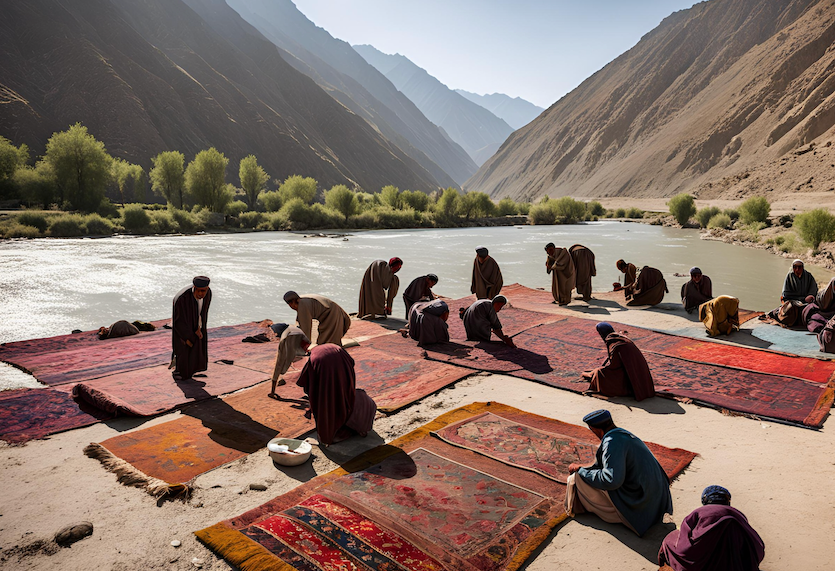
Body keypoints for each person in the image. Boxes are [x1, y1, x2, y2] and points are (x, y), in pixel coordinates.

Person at [566, 410, 673, 536]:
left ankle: (615, 514)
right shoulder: (622, 434)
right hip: (657, 499)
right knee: (587, 473)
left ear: (597, 430)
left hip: (643, 503)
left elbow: (612, 481)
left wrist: (581, 470)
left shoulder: (611, 442)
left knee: (576, 479)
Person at [659, 485, 765, 571]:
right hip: (738, 566)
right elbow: (757, 546)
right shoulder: (737, 515)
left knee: (670, 539)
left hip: (698, 565)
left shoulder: (699, 512)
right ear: (727, 501)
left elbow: (683, 545)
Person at [296, 344, 377, 446]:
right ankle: (349, 427)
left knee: (326, 404)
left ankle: (333, 433)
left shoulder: (324, 406)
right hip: (358, 419)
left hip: (331, 429)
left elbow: (305, 383)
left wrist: (317, 392)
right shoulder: (364, 402)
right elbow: (351, 362)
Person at [582, 323, 655, 401]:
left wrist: (602, 370)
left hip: (627, 377)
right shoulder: (620, 338)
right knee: (597, 372)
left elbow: (614, 366)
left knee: (598, 372)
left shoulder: (615, 344)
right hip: (638, 371)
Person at [170, 276, 212, 381]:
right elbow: (179, 321)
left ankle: (193, 371)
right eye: (199, 291)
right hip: (183, 328)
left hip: (197, 324)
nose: (201, 294)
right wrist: (188, 336)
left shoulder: (208, 294)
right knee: (183, 348)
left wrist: (200, 327)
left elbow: (203, 312)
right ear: (194, 287)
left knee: (198, 347)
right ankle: (178, 372)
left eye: (204, 291)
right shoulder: (182, 299)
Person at [283, 291, 351, 346]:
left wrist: (303, 346)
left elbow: (305, 328)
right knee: (329, 340)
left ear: (291, 303)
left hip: (330, 313)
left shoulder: (302, 306)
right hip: (332, 309)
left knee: (326, 343)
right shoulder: (302, 301)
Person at [269, 324, 310, 397]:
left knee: (279, 364)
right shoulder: (293, 328)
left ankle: (272, 391)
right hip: (301, 341)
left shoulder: (284, 335)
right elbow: (307, 343)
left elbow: (280, 359)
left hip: (289, 339)